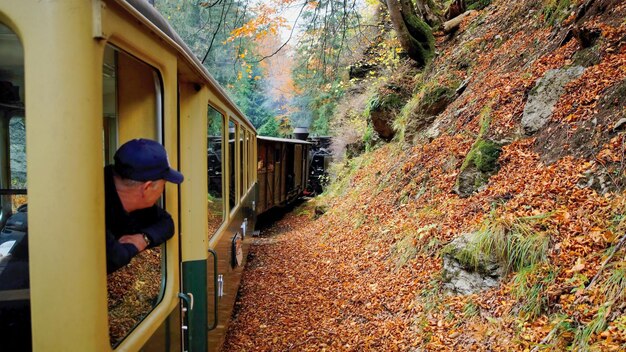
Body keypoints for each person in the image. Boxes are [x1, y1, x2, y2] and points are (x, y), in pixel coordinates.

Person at [105, 138, 183, 273]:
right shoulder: (92, 206)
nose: (162, 191)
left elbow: (167, 223)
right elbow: (113, 258)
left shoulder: (133, 203)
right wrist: (132, 246)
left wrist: (144, 238)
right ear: (147, 188)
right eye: (163, 185)